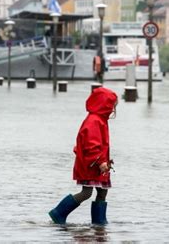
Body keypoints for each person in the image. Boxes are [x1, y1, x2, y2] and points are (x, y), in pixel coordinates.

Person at [49, 87, 118, 225]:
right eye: (112, 106)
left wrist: (103, 161)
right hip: (91, 164)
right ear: (104, 105)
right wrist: (100, 162)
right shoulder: (94, 121)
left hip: (97, 164)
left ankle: (99, 222)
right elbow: (91, 145)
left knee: (102, 191)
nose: (113, 110)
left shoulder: (100, 120)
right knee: (86, 193)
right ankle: (59, 213)